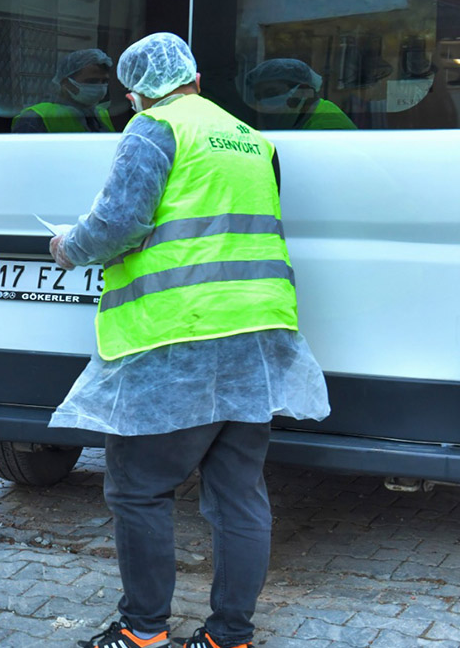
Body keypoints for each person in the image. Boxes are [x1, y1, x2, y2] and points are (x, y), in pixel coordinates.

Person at [47, 33, 331, 648]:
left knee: (139, 488)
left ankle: (143, 631)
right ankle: (230, 635)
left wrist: (69, 246)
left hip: (180, 332)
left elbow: (121, 224)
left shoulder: (154, 129)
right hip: (259, 332)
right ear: (196, 78)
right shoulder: (253, 139)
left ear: (134, 94)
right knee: (238, 495)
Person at [12, 48, 116, 133]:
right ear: (66, 83)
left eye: (104, 81)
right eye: (92, 81)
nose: (100, 87)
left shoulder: (101, 113)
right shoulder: (35, 118)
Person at [245, 58, 357, 130]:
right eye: (258, 97)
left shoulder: (327, 128)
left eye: (271, 93)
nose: (263, 103)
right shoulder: (304, 118)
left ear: (303, 90)